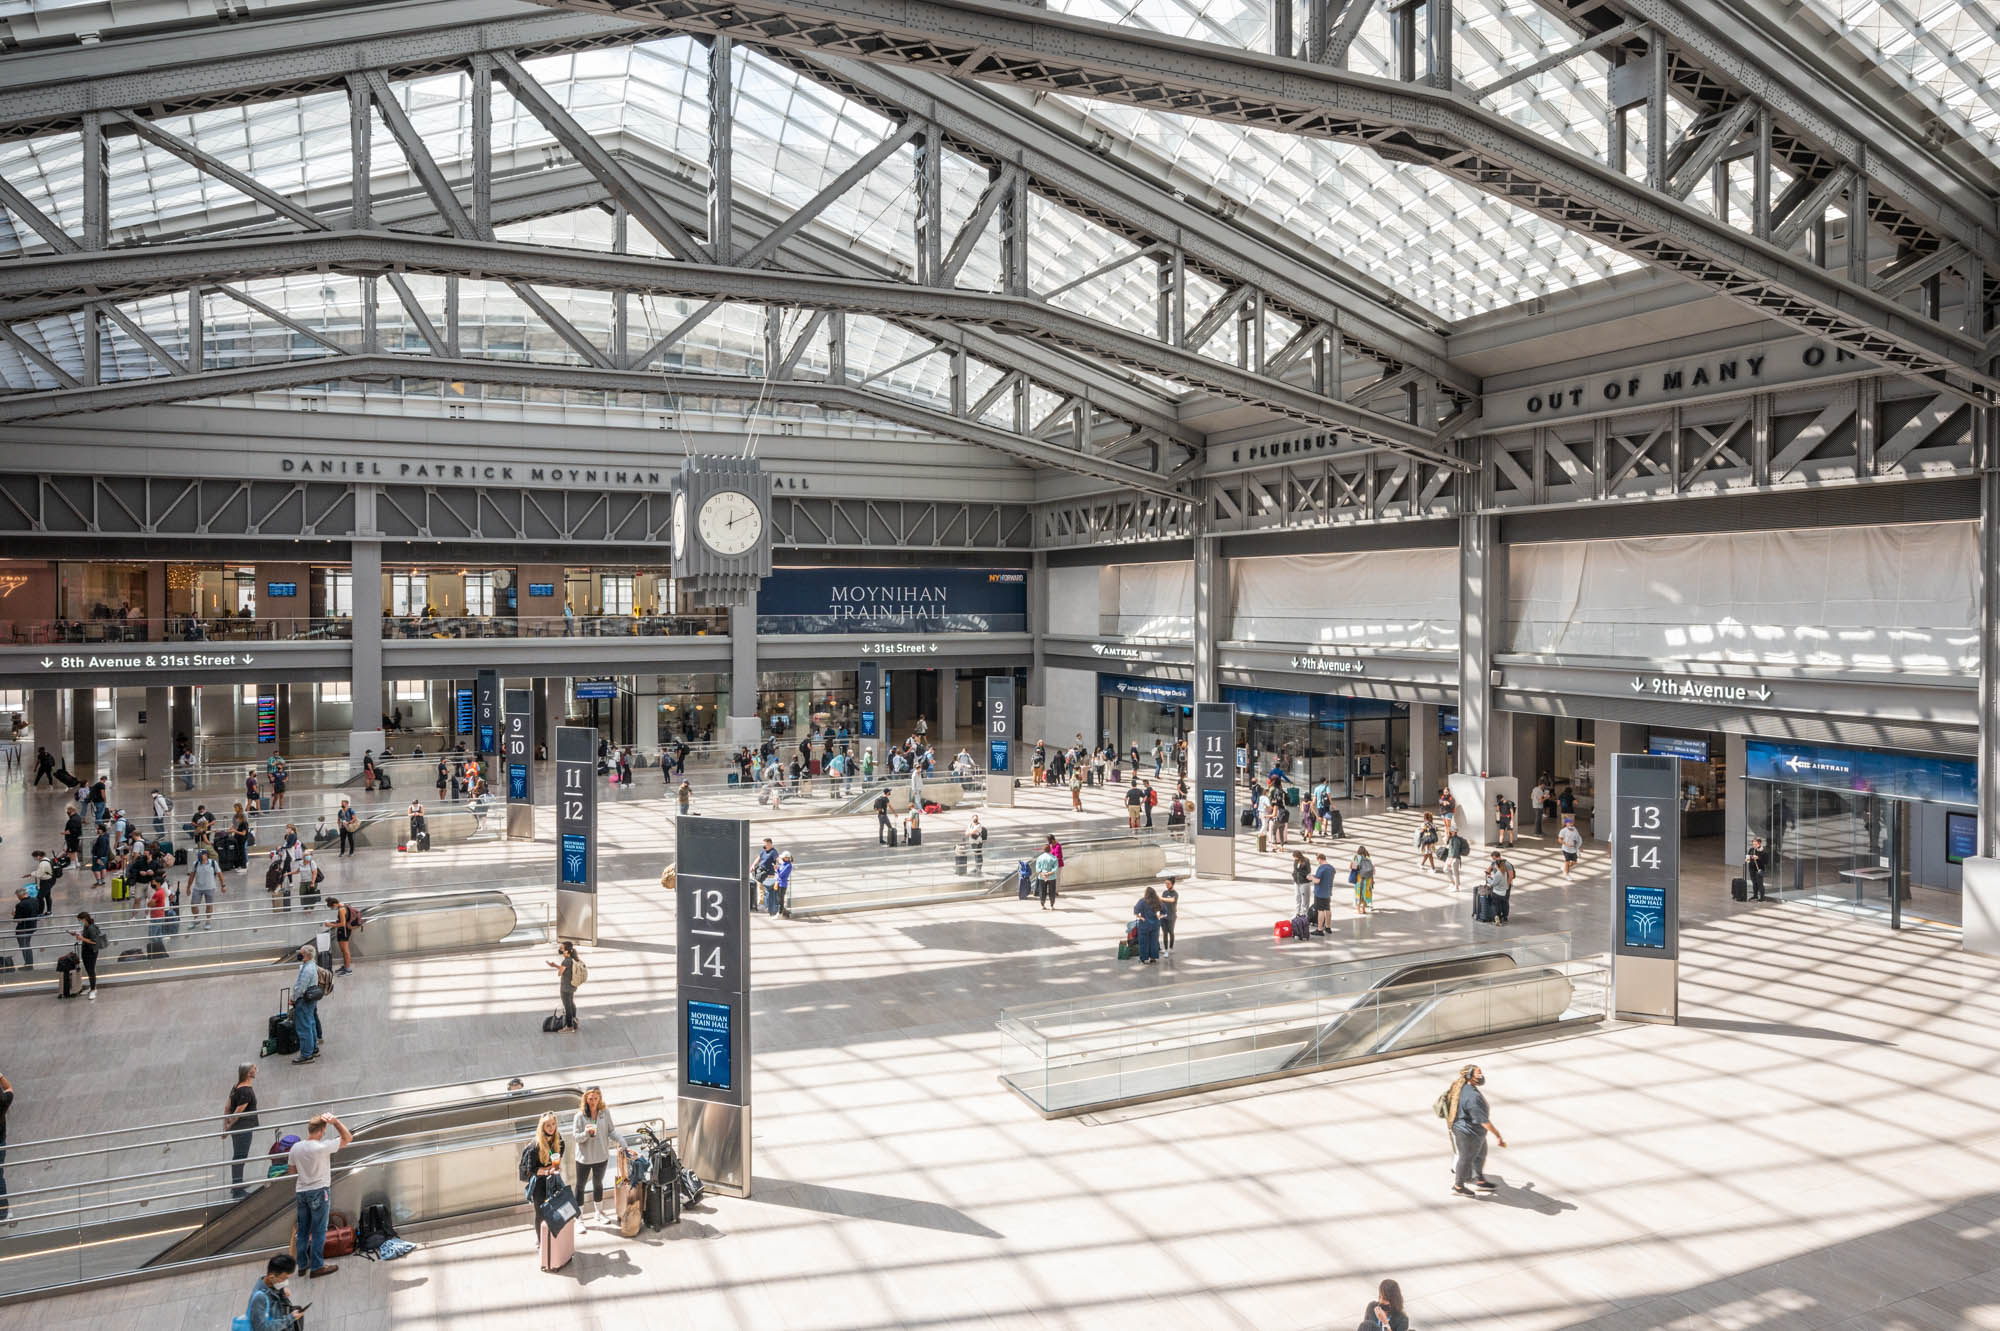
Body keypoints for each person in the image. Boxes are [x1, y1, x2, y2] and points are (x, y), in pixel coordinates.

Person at [288, 1112, 353, 1276]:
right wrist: (336, 1122)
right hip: (319, 1192)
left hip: (301, 1192)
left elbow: (291, 1171)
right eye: (324, 1130)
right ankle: (317, 1266)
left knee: (303, 1230)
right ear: (322, 1130)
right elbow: (348, 1138)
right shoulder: (323, 1147)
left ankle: (302, 1265)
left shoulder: (295, 1148)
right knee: (318, 1231)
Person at [1445, 1065, 1503, 1196]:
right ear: (1470, 1076)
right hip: (1467, 1133)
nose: (1481, 1076)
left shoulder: (1465, 1086)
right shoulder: (1472, 1097)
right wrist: (1498, 1136)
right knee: (1466, 1158)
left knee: (1481, 1154)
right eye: (1478, 1074)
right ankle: (1458, 1187)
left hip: (1475, 1132)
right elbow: (1483, 1121)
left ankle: (1480, 1180)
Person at [571, 1087, 618, 1222]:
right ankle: (579, 1217)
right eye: (590, 1099)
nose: (593, 1102)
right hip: (584, 1159)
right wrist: (586, 1133)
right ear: (586, 1099)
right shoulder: (579, 1116)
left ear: (600, 1099)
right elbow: (576, 1138)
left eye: (596, 1099)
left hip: (601, 1156)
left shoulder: (605, 1113)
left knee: (598, 1184)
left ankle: (599, 1212)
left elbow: (611, 1131)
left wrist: (621, 1141)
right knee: (580, 1186)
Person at [223, 1063, 260, 1199]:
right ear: (248, 1073)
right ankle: (237, 1189)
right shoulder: (246, 1091)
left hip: (237, 1129)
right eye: (254, 1069)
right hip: (243, 1128)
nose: (256, 1071)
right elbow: (238, 1112)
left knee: (239, 1156)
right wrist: (227, 1128)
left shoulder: (236, 1087)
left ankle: (237, 1183)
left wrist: (226, 1127)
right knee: (240, 1157)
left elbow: (227, 1107)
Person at [526, 1111, 566, 1231]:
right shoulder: (535, 1145)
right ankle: (540, 1241)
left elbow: (559, 1156)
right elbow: (531, 1169)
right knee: (540, 1214)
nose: (551, 1127)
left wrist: (556, 1166)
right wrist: (548, 1170)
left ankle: (552, 1238)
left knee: (555, 1209)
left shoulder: (559, 1140)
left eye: (553, 1124)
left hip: (553, 1180)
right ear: (542, 1126)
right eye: (548, 1125)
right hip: (539, 1183)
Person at [245, 1255, 303, 1331]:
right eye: (284, 1279)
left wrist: (282, 1289)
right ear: (272, 1277)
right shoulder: (259, 1298)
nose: (286, 1282)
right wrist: (290, 1318)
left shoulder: (269, 1282)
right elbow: (261, 1328)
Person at [290, 944, 325, 1063]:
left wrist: (293, 999)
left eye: (301, 953)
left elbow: (300, 988)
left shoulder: (308, 970)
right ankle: (313, 1049)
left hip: (304, 1001)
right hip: (311, 1000)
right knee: (310, 1023)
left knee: (303, 1027)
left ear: (306, 955)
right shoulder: (311, 965)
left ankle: (306, 1055)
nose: (299, 955)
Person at [184, 847, 224, 929]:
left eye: (201, 854)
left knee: (209, 905)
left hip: (210, 888)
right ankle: (196, 919)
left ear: (206, 855)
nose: (199, 856)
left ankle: (208, 921)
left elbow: (220, 874)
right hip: (197, 888)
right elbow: (191, 876)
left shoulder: (213, 863)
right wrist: (188, 887)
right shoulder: (196, 863)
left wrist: (223, 885)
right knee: (194, 904)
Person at [67, 911, 104, 998]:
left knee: (91, 971)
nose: (80, 922)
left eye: (80, 920)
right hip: (86, 951)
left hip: (91, 952)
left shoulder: (91, 928)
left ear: (84, 919)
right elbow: (86, 936)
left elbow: (94, 942)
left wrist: (82, 938)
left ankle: (93, 990)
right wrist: (77, 934)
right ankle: (92, 987)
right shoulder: (86, 926)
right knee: (89, 970)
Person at [547, 941, 580, 1033]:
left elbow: (560, 973)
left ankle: (569, 1027)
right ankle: (574, 1019)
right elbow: (566, 970)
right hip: (572, 985)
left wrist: (557, 967)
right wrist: (555, 966)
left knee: (567, 1007)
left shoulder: (565, 961)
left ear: (566, 951)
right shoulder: (573, 959)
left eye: (562, 948)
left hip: (565, 987)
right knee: (571, 1003)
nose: (560, 949)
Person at [327, 896, 359, 974]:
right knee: (343, 950)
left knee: (345, 950)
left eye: (331, 907)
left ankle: (348, 969)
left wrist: (330, 925)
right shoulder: (343, 905)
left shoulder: (341, 910)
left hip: (344, 931)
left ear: (335, 904)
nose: (332, 909)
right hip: (344, 930)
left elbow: (342, 923)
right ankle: (345, 966)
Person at [1132, 885, 1163, 964]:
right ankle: (1153, 958)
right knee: (1154, 942)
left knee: (1143, 942)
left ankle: (1143, 958)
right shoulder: (1157, 901)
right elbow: (1163, 909)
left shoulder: (1142, 901)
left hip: (1145, 925)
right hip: (1155, 925)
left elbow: (1136, 911)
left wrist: (1141, 917)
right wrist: (1158, 915)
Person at [12, 888, 37, 971]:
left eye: (17, 896)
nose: (17, 898)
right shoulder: (35, 900)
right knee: (27, 945)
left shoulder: (20, 905)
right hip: (32, 926)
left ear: (20, 895)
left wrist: (14, 914)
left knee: (24, 946)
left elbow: (17, 920)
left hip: (23, 929)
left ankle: (28, 965)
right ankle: (29, 964)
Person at [1312, 853, 1336, 936]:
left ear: (1319, 859)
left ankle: (1319, 929)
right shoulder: (1332, 868)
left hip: (1320, 892)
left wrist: (1311, 878)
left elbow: (1317, 881)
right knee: (1328, 909)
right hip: (1328, 892)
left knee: (1320, 911)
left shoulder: (1321, 868)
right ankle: (1328, 927)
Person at [1349, 845, 1375, 915]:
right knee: (1365, 892)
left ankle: (1358, 910)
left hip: (1360, 877)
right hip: (1368, 878)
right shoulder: (1367, 857)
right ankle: (1363, 909)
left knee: (1359, 892)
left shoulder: (1356, 857)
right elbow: (1372, 869)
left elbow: (1353, 867)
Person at [1032, 845, 1059, 910]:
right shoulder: (1054, 858)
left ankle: (1043, 905)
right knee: (1052, 891)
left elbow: (1037, 869)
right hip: (1052, 877)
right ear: (1050, 850)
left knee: (1042, 891)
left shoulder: (1039, 858)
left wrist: (1043, 874)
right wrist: (1048, 873)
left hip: (1042, 877)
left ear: (1043, 850)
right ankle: (1052, 905)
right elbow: (1055, 869)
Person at [1745, 834, 1769, 901]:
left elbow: (1766, 862)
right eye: (1753, 844)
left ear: (1760, 843)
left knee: (1760, 883)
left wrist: (1758, 858)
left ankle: (1762, 897)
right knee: (1754, 883)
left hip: (1759, 869)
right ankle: (1755, 895)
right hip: (1752, 868)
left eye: (1755, 844)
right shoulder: (1751, 850)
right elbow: (1748, 859)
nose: (1754, 846)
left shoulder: (1764, 851)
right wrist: (1748, 859)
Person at [1159, 877, 1179, 954]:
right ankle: (1166, 949)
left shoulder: (1175, 894)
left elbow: (1171, 900)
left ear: (1172, 884)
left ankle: (1171, 948)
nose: (1166, 885)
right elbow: (1161, 904)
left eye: (1168, 883)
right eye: (1166, 883)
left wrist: (1161, 898)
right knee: (1164, 933)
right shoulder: (1164, 892)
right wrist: (1160, 914)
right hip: (1163, 916)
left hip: (1171, 916)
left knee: (1171, 932)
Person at [773, 852, 794, 918]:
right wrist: (777, 868)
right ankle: (781, 912)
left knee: (780, 899)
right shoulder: (784, 864)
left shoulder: (788, 865)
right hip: (779, 882)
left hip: (783, 884)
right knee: (779, 898)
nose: (782, 858)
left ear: (786, 858)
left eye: (783, 857)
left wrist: (777, 869)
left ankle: (780, 913)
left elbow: (781, 874)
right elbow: (780, 872)